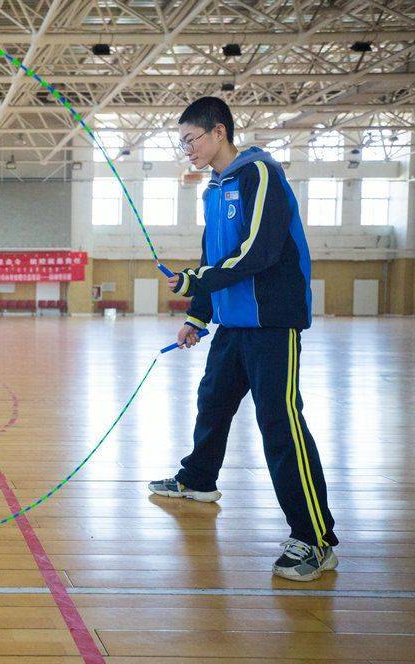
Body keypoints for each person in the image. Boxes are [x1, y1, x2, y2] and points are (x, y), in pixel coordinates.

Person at [149, 96, 338, 581]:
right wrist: (198, 315)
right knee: (212, 400)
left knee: (280, 425)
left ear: (218, 132)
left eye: (191, 139)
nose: (187, 149)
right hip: (233, 325)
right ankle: (198, 479)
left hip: (272, 323)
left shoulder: (260, 174)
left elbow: (257, 253)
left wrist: (195, 280)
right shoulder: (214, 189)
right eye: (182, 142)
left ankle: (314, 538)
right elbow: (215, 253)